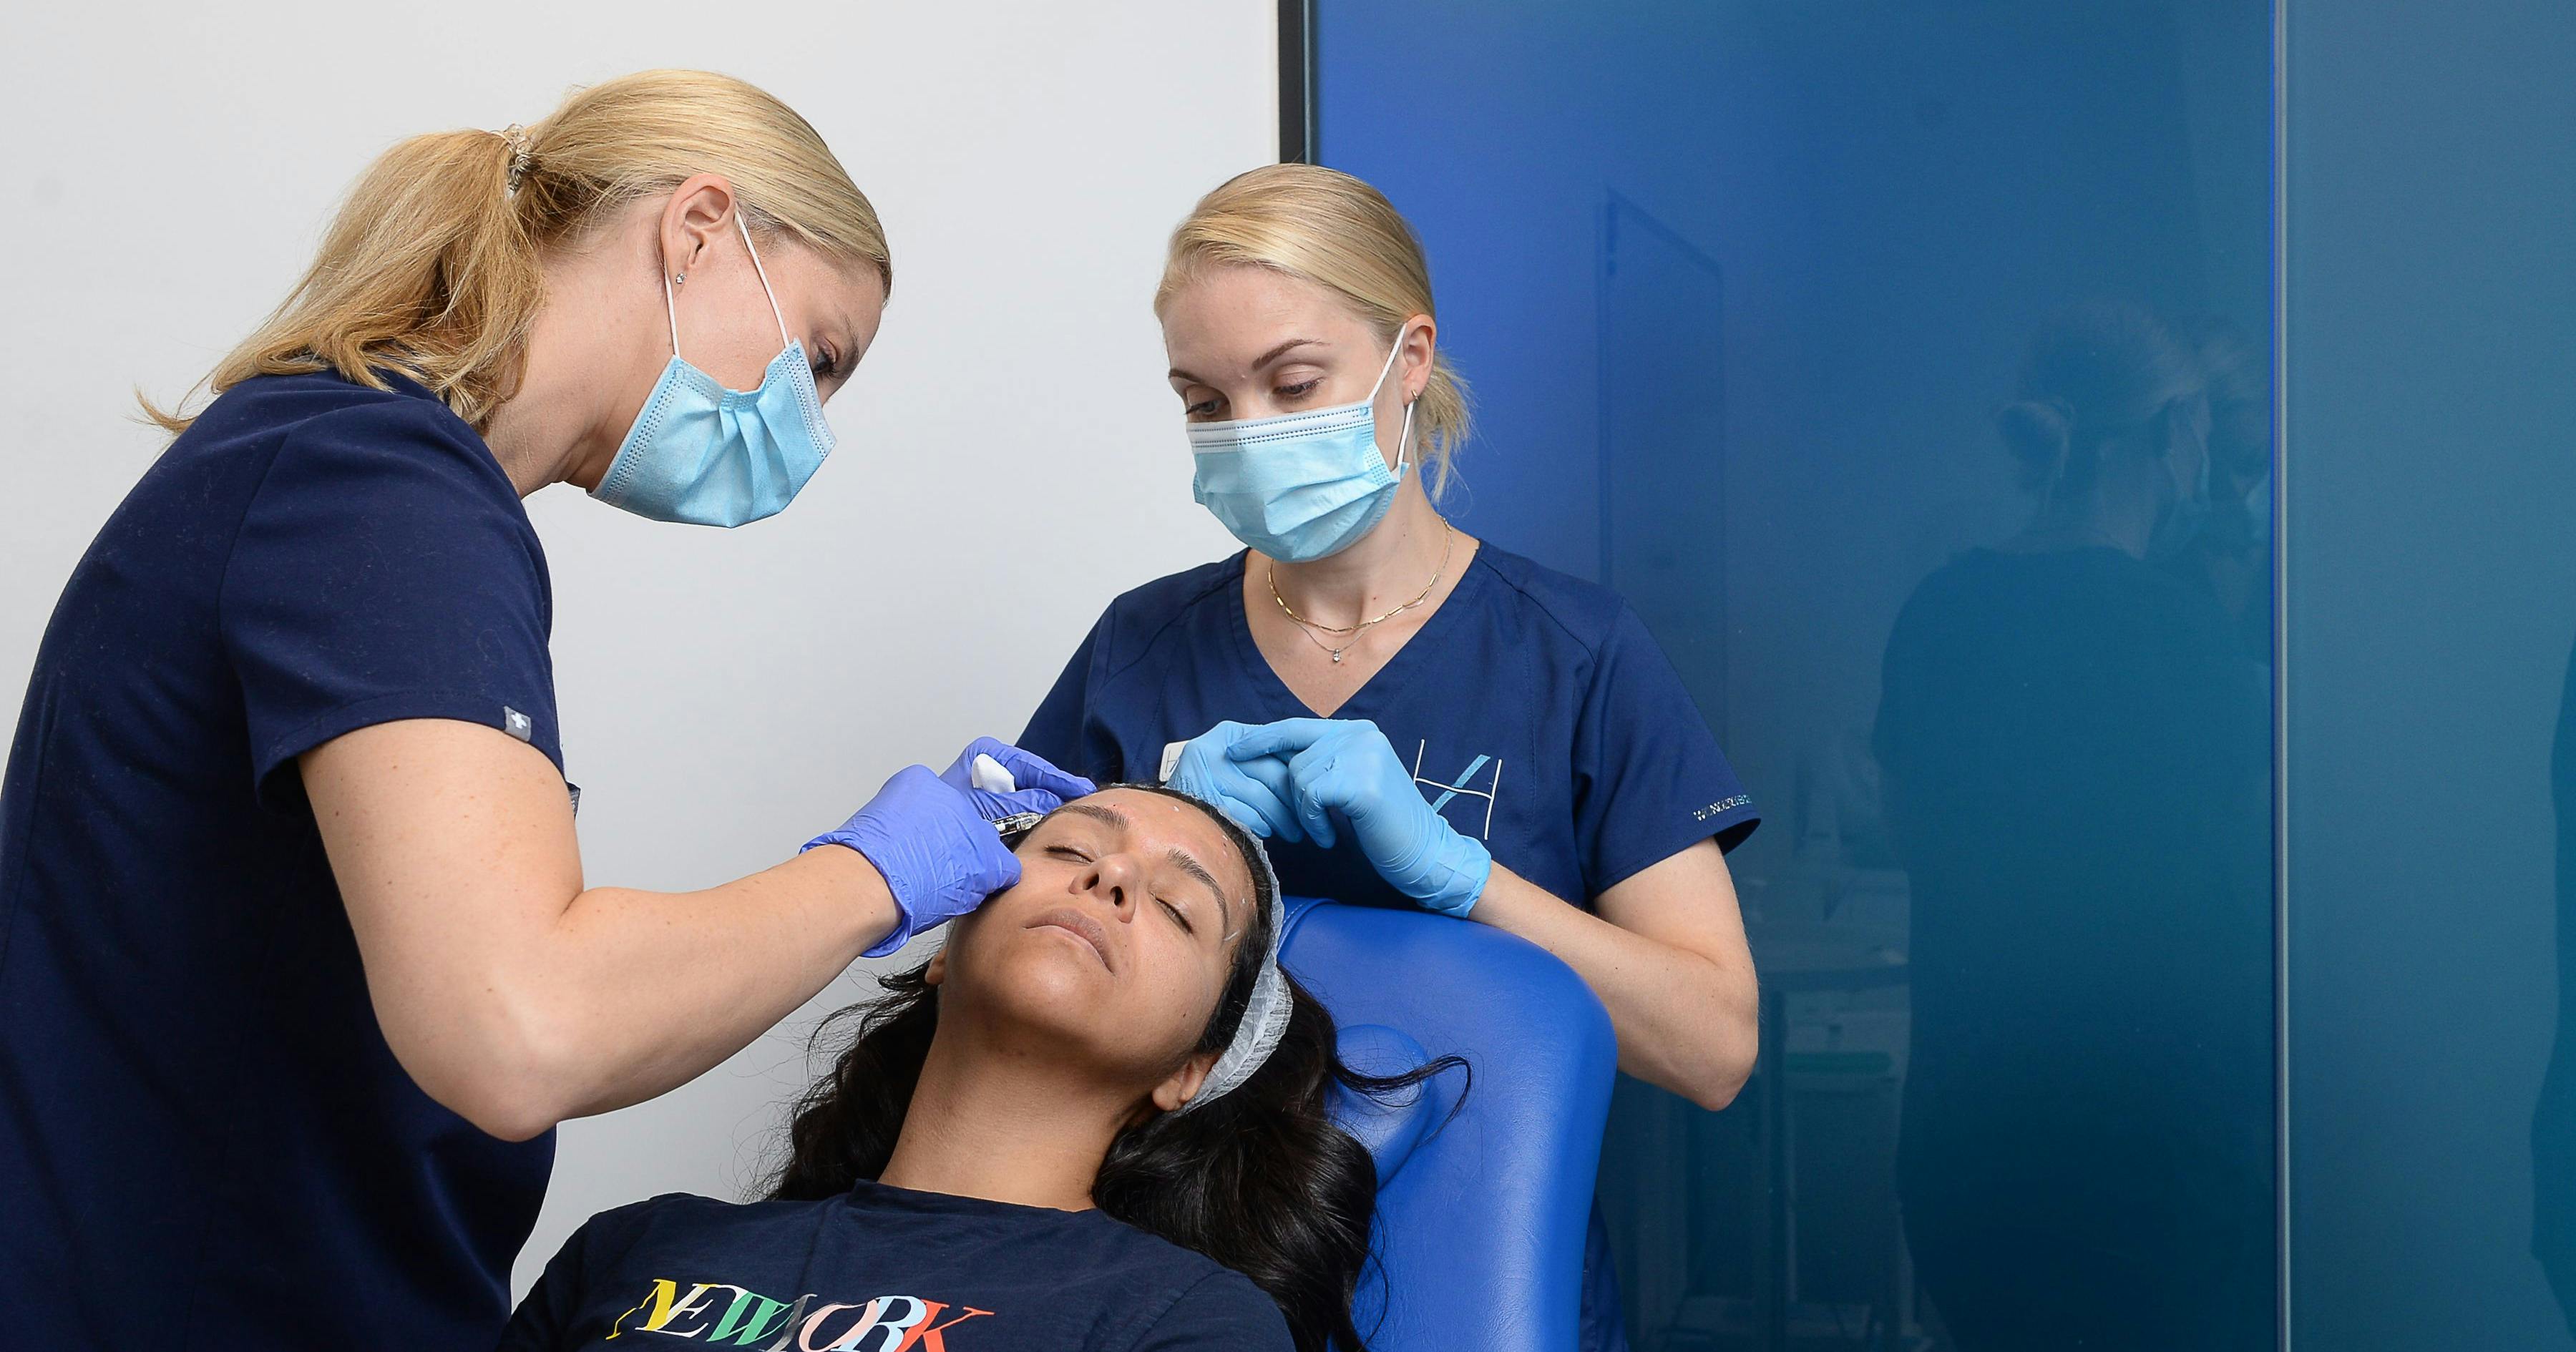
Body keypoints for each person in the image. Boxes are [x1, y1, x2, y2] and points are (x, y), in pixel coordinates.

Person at [0, 71, 1085, 1350]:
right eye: (822, 358)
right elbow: (521, 1024)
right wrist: (880, 870)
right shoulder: (377, 487)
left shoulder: (352, 474)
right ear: (697, 227)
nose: (812, 427)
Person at [1018, 164, 1761, 1352]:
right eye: (1204, 400)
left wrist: (1468, 884)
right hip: (1166, 1290)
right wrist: (1140, 831)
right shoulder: (1140, 649)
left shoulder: (1575, 655)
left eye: (1293, 381)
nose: (1248, 431)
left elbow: (1714, 1045)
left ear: (1410, 359)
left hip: (1489, 1283)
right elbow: (987, 994)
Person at [502, 784, 1455, 1352]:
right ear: (945, 943)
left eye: (1177, 907)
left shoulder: (1186, 1323)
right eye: (1071, 847)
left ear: (1192, 1070)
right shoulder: (636, 1247)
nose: (1112, 877)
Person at [1873, 302, 2273, 1351]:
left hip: (1974, 1166)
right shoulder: (2191, 641)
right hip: (2157, 1173)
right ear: (2170, 433)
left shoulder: (1937, 614)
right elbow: (2256, 875)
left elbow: (1913, 837)